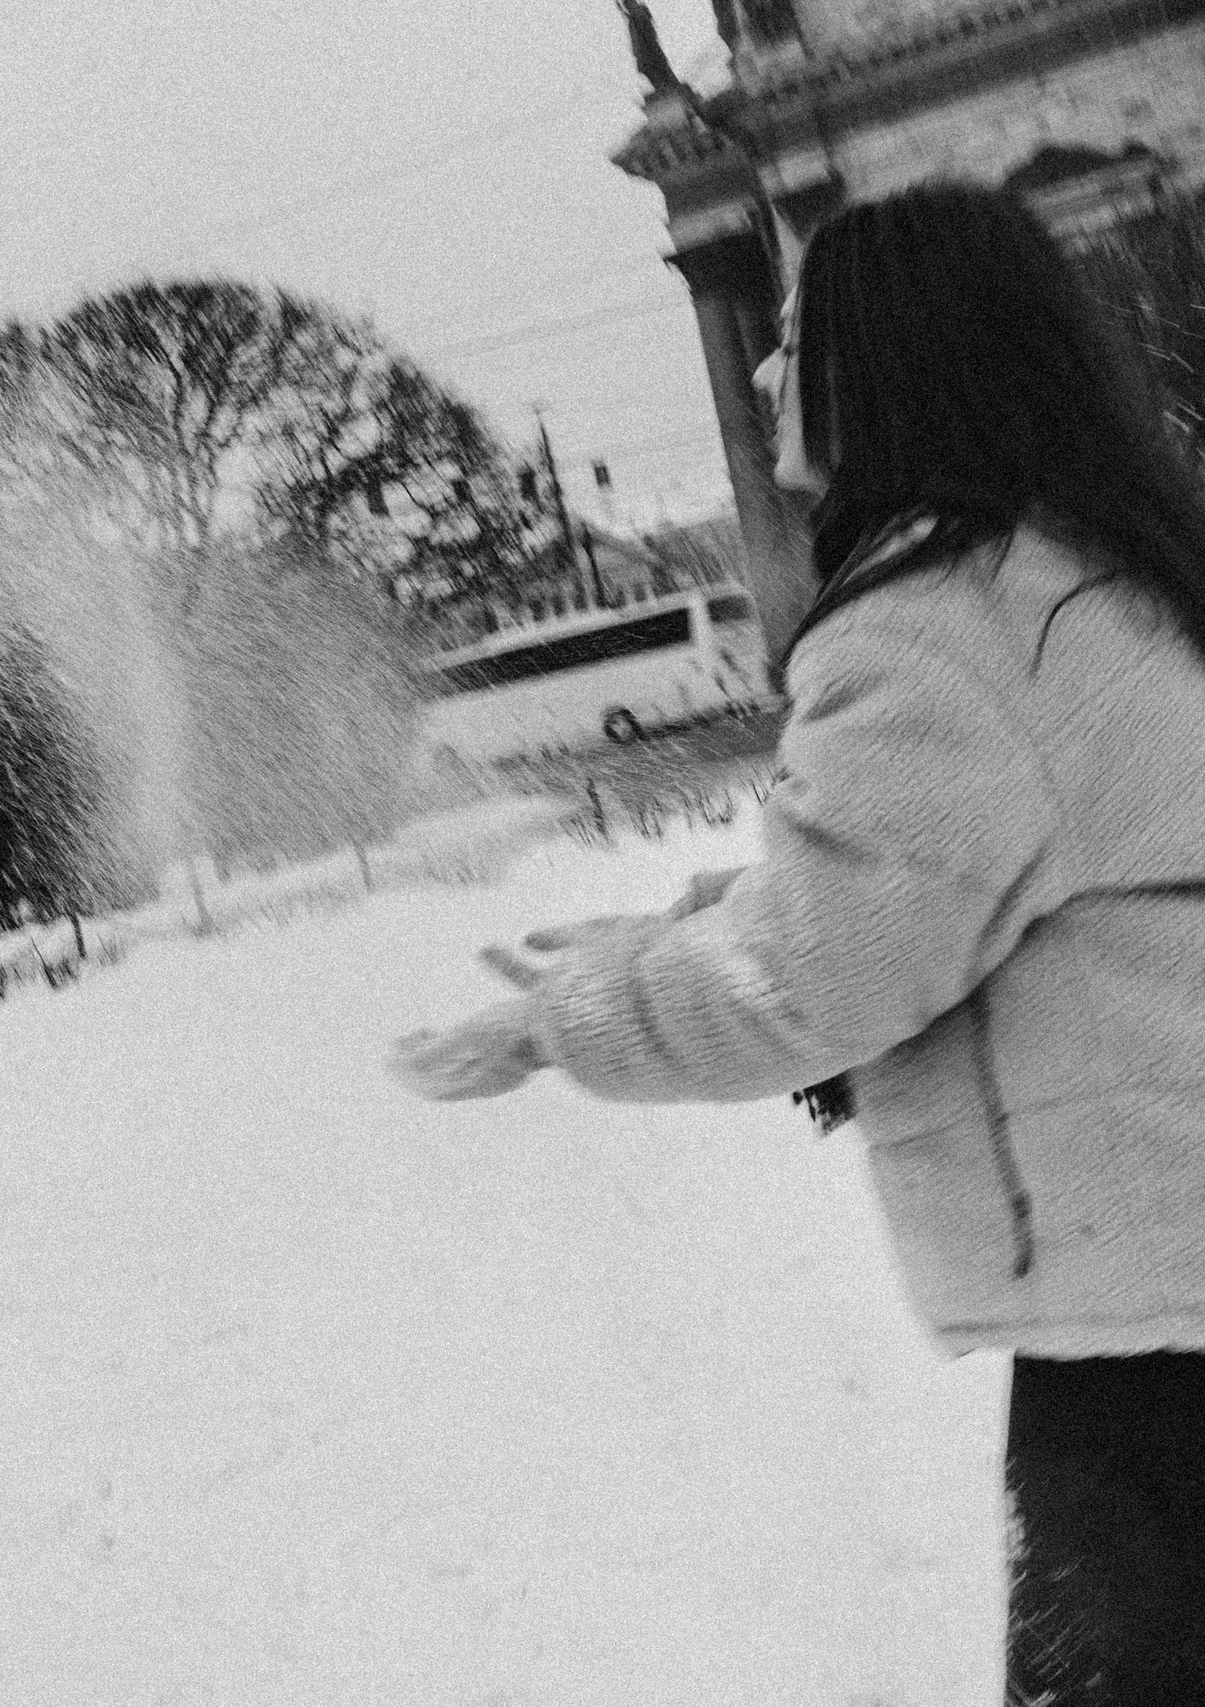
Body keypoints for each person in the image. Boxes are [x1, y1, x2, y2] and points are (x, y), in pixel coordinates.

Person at [387, 181, 1205, 1703]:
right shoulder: (1085, 572)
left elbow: (818, 974)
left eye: (795, 336)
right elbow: (940, 891)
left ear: (892, 353)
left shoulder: (946, 631)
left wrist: (573, 1015)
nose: (762, 371)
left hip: (1155, 1345)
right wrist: (674, 924)